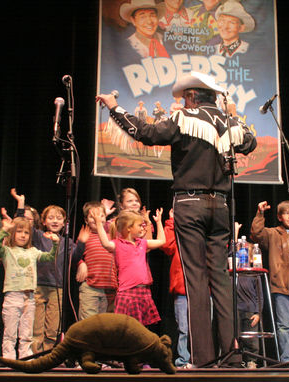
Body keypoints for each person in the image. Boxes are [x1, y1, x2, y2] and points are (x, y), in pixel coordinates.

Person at [96, 71, 257, 366]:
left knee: (195, 280)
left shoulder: (184, 118)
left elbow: (145, 132)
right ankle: (232, 357)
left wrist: (115, 108)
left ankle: (204, 358)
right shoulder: (229, 122)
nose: (182, 101)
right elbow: (250, 142)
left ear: (192, 96)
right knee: (220, 280)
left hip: (190, 203)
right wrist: (233, 116)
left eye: (184, 96)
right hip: (221, 205)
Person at [10, 188, 88, 354]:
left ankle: (48, 357)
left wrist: (81, 243)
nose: (55, 221)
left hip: (57, 288)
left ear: (64, 223)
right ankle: (36, 356)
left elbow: (74, 259)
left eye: (59, 218)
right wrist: (21, 206)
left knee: (53, 329)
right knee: (36, 327)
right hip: (38, 286)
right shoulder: (38, 237)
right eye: (51, 218)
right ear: (44, 221)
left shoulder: (67, 242)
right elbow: (20, 223)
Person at [250, 200, 289, 363]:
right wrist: (260, 213)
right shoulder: (272, 234)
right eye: (286, 213)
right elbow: (256, 234)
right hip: (280, 287)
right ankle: (287, 359)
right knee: (284, 326)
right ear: (279, 216)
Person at [0, 211, 58, 360]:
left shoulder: (33, 251)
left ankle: (26, 358)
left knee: (27, 333)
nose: (23, 235)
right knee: (10, 333)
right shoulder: (7, 251)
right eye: (19, 232)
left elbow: (49, 257)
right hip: (13, 296)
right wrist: (4, 231)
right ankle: (9, 358)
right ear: (13, 234)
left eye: (26, 233)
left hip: (30, 297)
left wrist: (55, 243)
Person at [94, 209, 165, 327]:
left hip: (143, 292)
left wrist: (158, 222)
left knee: (141, 328)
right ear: (128, 228)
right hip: (127, 293)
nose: (143, 228)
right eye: (139, 225)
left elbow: (162, 241)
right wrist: (98, 224)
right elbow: (106, 244)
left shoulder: (142, 243)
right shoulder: (118, 244)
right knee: (126, 327)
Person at [75, 201, 117, 319]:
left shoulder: (112, 236)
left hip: (109, 289)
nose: (97, 219)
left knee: (105, 325)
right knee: (88, 324)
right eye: (93, 216)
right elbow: (74, 256)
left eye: (101, 216)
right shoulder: (85, 236)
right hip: (90, 287)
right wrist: (80, 263)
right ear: (86, 220)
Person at [160, 208, 190, 368]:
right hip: (181, 288)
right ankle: (184, 359)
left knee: (200, 327)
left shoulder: (202, 231)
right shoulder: (177, 232)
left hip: (202, 289)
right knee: (183, 327)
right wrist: (171, 220)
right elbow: (166, 246)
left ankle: (200, 359)